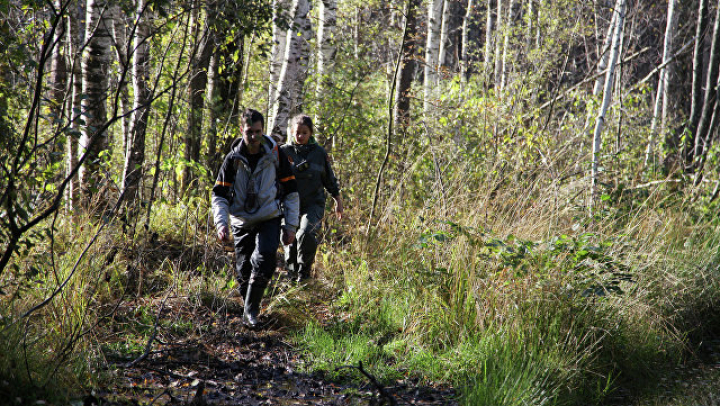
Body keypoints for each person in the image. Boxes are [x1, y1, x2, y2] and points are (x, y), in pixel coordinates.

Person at [212, 108, 300, 327]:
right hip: (241, 220)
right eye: (249, 131)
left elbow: (291, 191)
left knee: (264, 258)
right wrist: (221, 224)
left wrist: (290, 226)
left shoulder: (275, 153)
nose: (253, 137)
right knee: (244, 271)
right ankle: (248, 307)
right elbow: (219, 194)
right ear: (242, 130)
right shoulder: (232, 159)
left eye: (258, 132)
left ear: (263, 131)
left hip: (269, 216)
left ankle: (251, 314)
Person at [281, 114, 343, 283]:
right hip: (289, 205)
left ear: (310, 133)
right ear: (292, 132)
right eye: (297, 132)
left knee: (306, 233)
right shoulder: (283, 152)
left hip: (313, 203)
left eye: (304, 133)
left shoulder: (319, 153)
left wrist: (338, 200)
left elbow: (329, 179)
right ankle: (292, 275)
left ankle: (304, 273)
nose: (300, 136)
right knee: (290, 238)